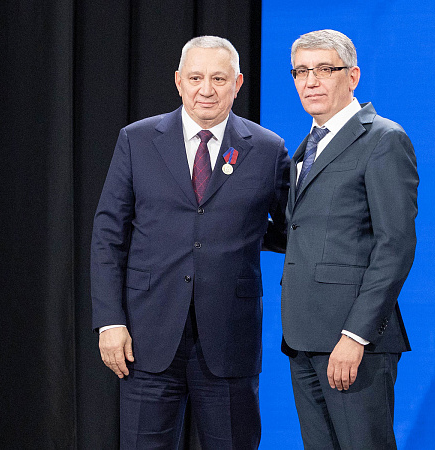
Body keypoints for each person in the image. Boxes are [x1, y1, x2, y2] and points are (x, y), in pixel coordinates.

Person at [91, 35, 290, 449]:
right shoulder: (137, 140)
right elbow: (109, 234)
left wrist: (245, 236)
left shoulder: (267, 149)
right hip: (146, 338)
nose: (206, 89)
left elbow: (293, 228)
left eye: (219, 78)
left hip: (230, 338)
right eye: (196, 77)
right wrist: (110, 321)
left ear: (237, 83)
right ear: (179, 81)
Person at [280, 29, 418, 449]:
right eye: (301, 71)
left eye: (325, 69)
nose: (311, 81)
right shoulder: (307, 147)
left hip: (352, 344)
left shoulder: (383, 139)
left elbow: (394, 246)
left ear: (352, 76)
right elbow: (304, 231)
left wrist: (356, 336)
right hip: (303, 339)